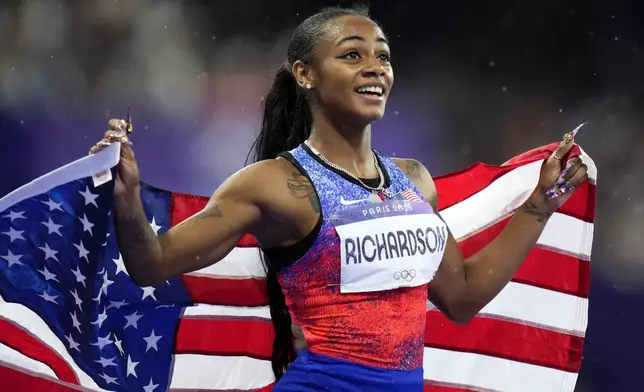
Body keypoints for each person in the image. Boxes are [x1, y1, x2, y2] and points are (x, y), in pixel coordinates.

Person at [90, 5, 588, 392]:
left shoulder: (414, 180)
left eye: (383, 56)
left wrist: (538, 207)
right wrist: (127, 199)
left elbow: (462, 297)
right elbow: (153, 265)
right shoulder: (274, 184)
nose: (375, 68)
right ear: (305, 74)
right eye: (352, 54)